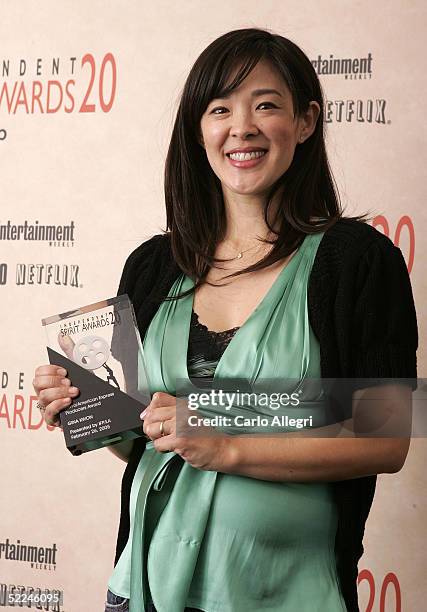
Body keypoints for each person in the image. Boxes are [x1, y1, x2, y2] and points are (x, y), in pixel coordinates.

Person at [32, 28, 418, 612]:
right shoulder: (152, 264)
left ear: (307, 121)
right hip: (143, 587)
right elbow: (147, 445)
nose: (242, 127)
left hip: (285, 593)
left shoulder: (357, 261)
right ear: (199, 130)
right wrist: (88, 409)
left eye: (265, 105)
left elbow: (386, 438)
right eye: (220, 110)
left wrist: (228, 446)